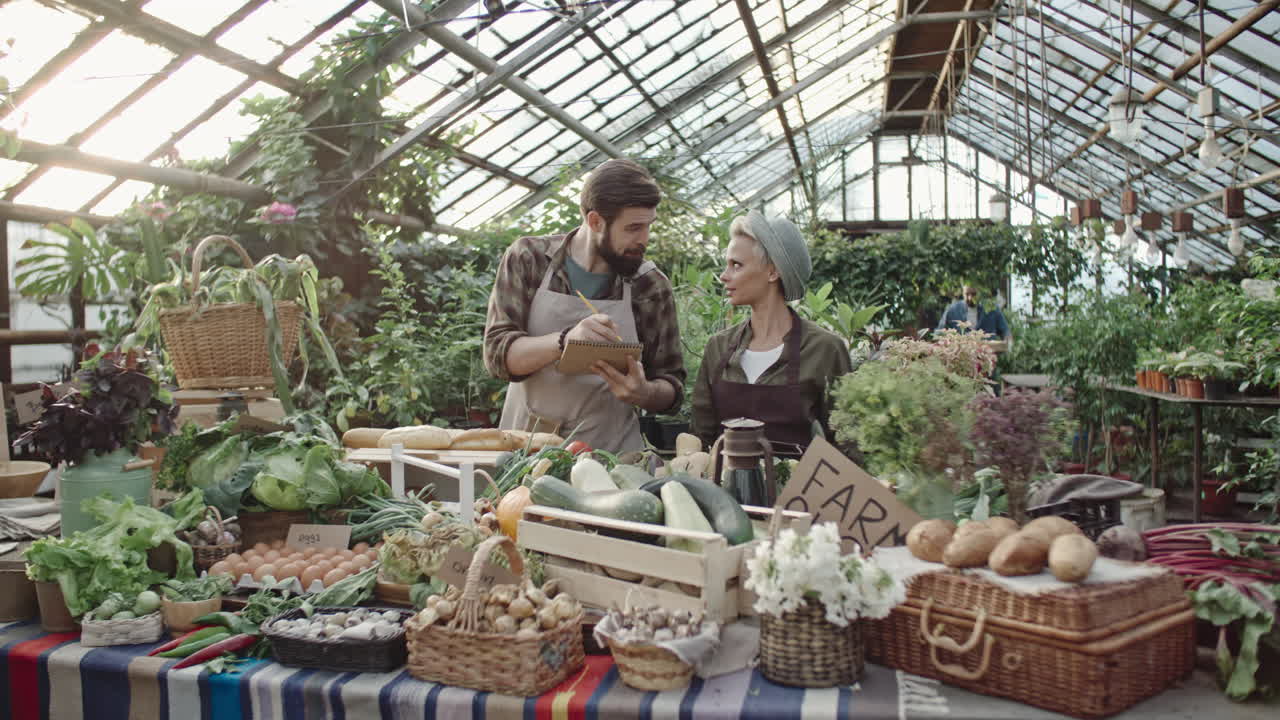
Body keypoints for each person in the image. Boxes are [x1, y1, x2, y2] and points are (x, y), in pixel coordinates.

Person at [482, 158, 685, 454]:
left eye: (648, 227)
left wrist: (645, 393)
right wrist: (565, 341)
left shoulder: (650, 286)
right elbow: (498, 356)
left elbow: (672, 387)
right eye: (633, 228)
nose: (644, 240)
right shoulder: (530, 260)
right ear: (595, 221)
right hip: (526, 449)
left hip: (611, 454)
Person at [689, 211, 852, 457]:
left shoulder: (824, 349)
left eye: (736, 265)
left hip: (802, 494)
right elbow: (701, 438)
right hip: (725, 491)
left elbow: (848, 445)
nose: (724, 275)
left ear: (772, 272)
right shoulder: (719, 347)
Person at [937, 285, 1010, 340]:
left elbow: (1006, 332)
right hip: (960, 357)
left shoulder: (992, 309)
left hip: (987, 357)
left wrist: (1007, 344)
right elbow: (939, 333)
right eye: (967, 294)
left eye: (973, 294)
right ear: (962, 293)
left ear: (980, 292)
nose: (970, 298)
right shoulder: (952, 310)